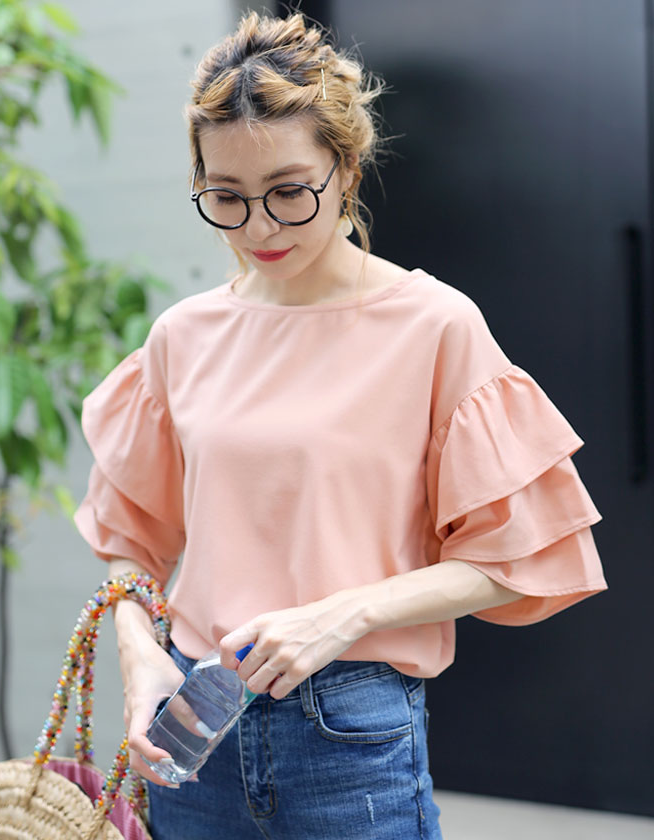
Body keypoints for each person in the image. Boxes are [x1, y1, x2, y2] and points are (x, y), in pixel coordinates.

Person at [73, 10, 607, 840]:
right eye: (226, 198)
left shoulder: (433, 325)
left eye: (290, 192)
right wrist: (140, 657)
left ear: (346, 169)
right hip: (192, 732)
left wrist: (342, 614)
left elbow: (520, 559)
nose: (258, 228)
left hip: (348, 733)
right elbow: (130, 541)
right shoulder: (182, 335)